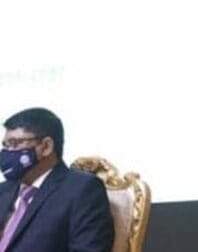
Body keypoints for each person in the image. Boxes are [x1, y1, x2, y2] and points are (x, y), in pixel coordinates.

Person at [0, 107, 114, 252]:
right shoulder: (4, 190)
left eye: (15, 144)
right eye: (6, 145)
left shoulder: (82, 190)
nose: (7, 152)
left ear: (46, 147)